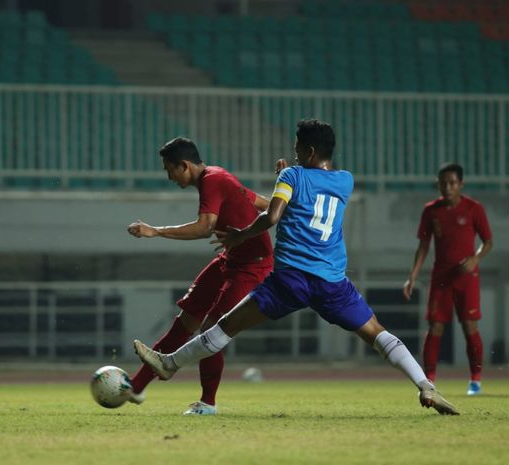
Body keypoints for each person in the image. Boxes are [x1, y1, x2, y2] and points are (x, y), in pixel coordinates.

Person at [134, 119, 459, 415]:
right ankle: (425, 386)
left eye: (298, 148)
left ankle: (169, 364)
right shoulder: (345, 181)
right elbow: (306, 197)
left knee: (222, 328)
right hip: (332, 282)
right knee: (378, 334)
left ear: (309, 150)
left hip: (289, 279)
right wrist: (288, 180)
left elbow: (273, 216)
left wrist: (241, 235)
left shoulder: (292, 176)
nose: (295, 153)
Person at [126, 136, 274, 415]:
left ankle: (208, 404)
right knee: (185, 323)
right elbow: (258, 201)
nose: (168, 176)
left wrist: (156, 230)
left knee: (211, 331)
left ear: (183, 165)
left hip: (252, 267)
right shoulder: (218, 176)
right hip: (229, 261)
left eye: (168, 169)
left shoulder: (213, 179)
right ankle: (137, 386)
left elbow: (206, 227)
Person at [402, 163, 493, 396]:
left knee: (469, 327)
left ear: (461, 184)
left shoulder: (474, 209)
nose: (447, 187)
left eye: (452, 183)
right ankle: (429, 380)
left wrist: (475, 258)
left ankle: (475, 380)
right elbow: (423, 245)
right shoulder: (431, 210)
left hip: (467, 277)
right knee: (435, 327)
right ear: (438, 184)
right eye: (443, 183)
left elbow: (488, 241)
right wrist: (412, 276)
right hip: (441, 277)